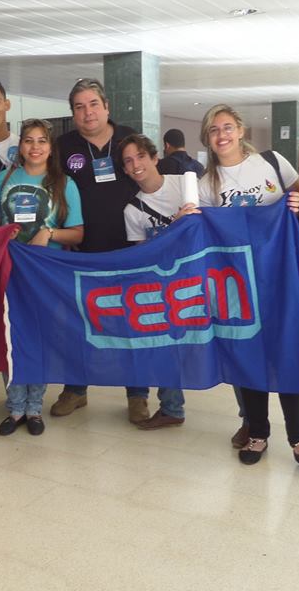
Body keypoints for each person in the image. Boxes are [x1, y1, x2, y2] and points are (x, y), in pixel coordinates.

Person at [197, 104, 299, 465]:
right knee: (247, 352)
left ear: (240, 130)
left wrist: (298, 201)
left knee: (290, 347)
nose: (221, 135)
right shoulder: (207, 184)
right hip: (237, 281)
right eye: (213, 130)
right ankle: (257, 434)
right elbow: (203, 234)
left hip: (282, 273)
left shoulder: (270, 162)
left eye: (227, 127)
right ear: (207, 139)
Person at [51, 79, 149, 423]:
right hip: (82, 248)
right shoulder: (63, 146)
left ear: (106, 107)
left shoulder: (129, 139)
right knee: (77, 322)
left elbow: (152, 181)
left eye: (93, 104)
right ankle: (75, 389)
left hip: (130, 248)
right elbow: (54, 191)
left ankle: (137, 394)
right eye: (79, 107)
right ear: (73, 113)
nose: (87, 112)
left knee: (132, 321)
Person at [0, 118, 84, 436]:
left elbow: (78, 234)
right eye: (29, 140)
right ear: (20, 146)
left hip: (46, 274)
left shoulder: (64, 184)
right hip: (10, 272)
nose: (35, 147)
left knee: (40, 339)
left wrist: (49, 233)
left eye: (42, 140)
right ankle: (15, 407)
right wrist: (3, 236)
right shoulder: (4, 179)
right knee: (11, 339)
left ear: (50, 147)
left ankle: (34, 408)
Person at [120, 134, 201, 431]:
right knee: (166, 345)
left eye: (141, 156)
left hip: (200, 275)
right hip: (165, 285)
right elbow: (142, 255)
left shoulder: (186, 184)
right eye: (128, 161)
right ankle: (171, 408)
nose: (136, 165)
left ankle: (252, 423)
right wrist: (175, 227)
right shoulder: (133, 210)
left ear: (155, 158)